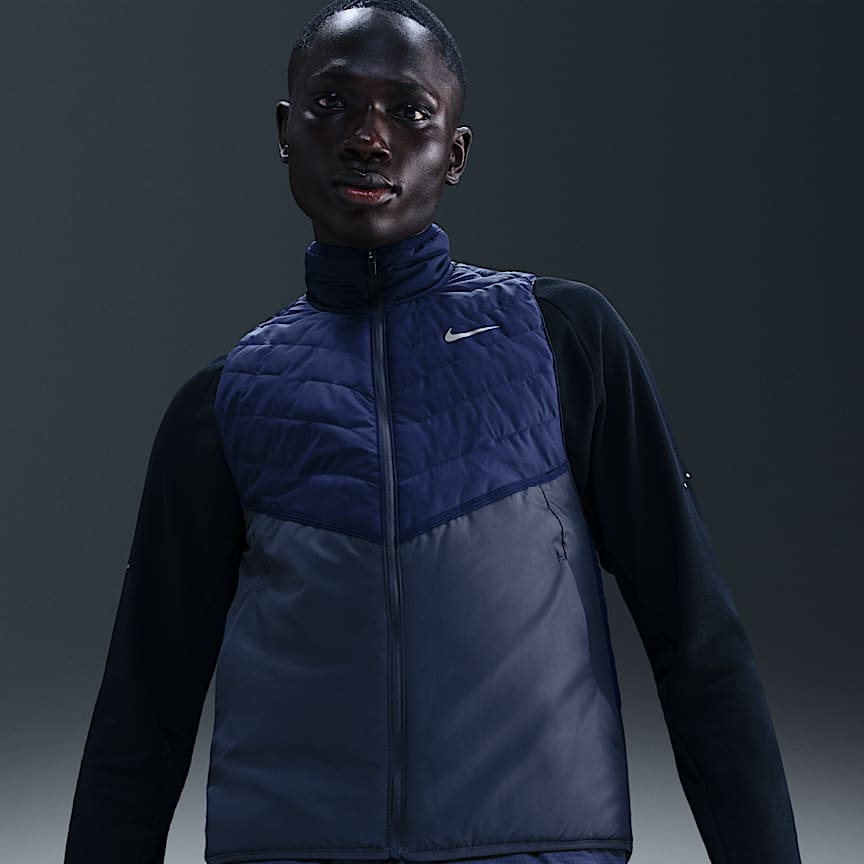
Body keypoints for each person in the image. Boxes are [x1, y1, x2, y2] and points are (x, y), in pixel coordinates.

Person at [64, 2, 802, 863]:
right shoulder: (220, 404)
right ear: (285, 130)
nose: (367, 138)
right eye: (333, 103)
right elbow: (141, 718)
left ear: (454, 152)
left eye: (409, 111)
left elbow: (698, 643)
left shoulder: (565, 339)